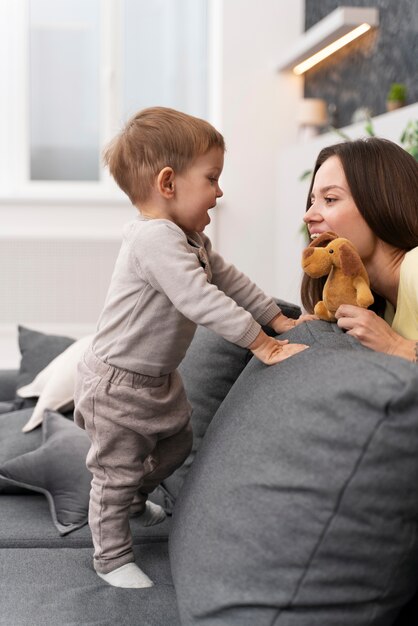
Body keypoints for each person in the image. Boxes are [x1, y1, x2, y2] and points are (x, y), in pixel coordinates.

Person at [74, 106, 311, 589]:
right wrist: (260, 342)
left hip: (159, 380)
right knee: (115, 472)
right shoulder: (153, 239)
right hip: (116, 386)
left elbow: (231, 280)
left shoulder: (191, 238)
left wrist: (276, 316)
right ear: (168, 183)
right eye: (212, 178)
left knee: (178, 443)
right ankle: (111, 556)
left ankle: (136, 501)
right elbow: (199, 298)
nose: (220, 192)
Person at [302, 136, 418, 363]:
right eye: (313, 200)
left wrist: (396, 346)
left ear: (380, 203)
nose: (308, 216)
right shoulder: (382, 308)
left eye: (330, 199)